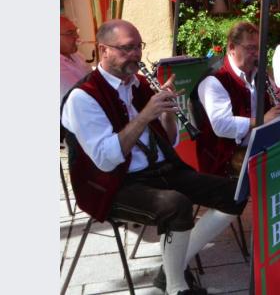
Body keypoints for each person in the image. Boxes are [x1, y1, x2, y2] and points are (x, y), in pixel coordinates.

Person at [61, 20, 243, 295]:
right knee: (176, 205)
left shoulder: (137, 85)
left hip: (159, 170)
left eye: (138, 47)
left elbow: (168, 140)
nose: (134, 54)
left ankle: (170, 270)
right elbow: (106, 160)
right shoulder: (83, 98)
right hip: (114, 183)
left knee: (235, 192)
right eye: (126, 48)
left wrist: (167, 111)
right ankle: (176, 287)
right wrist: (146, 113)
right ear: (103, 50)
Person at [193, 22, 280, 177]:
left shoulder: (259, 73)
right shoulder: (215, 80)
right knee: (276, 167)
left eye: (258, 48)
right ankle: (273, 199)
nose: (257, 54)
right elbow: (221, 125)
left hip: (258, 144)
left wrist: (279, 106)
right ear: (232, 48)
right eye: (251, 48)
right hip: (226, 156)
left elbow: (275, 107)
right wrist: (261, 120)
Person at [60, 16, 91, 101]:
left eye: (76, 31)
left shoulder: (76, 54)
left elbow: (91, 77)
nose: (77, 36)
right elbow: (80, 96)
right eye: (70, 33)